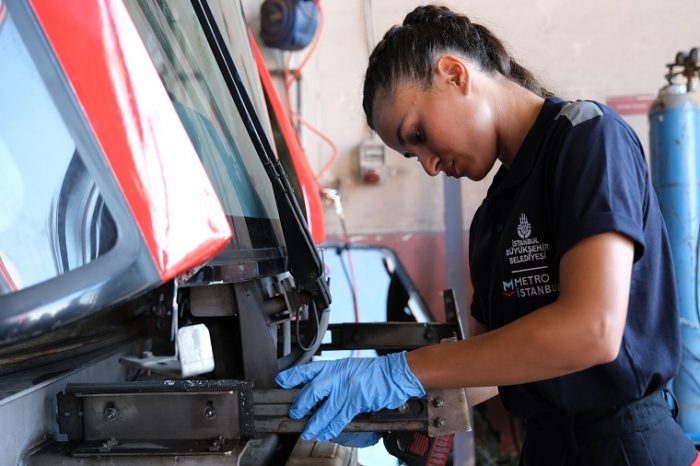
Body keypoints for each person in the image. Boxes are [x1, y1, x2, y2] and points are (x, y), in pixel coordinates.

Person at [276, 4, 700, 465]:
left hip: (625, 447)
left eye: (417, 134)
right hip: (547, 448)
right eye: (412, 154)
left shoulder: (587, 139)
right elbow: (493, 368)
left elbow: (591, 330)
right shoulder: (492, 217)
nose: (430, 164)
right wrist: (391, 409)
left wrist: (401, 371)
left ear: (454, 74)